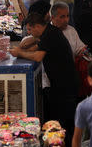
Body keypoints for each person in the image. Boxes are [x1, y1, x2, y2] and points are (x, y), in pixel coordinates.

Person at [19, 13, 79, 146]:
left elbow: (38, 56)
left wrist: (19, 53)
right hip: (61, 84)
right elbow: (34, 48)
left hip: (65, 86)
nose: (29, 32)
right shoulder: (48, 33)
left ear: (38, 26)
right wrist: (27, 45)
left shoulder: (50, 34)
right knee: (63, 121)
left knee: (65, 123)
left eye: (30, 29)